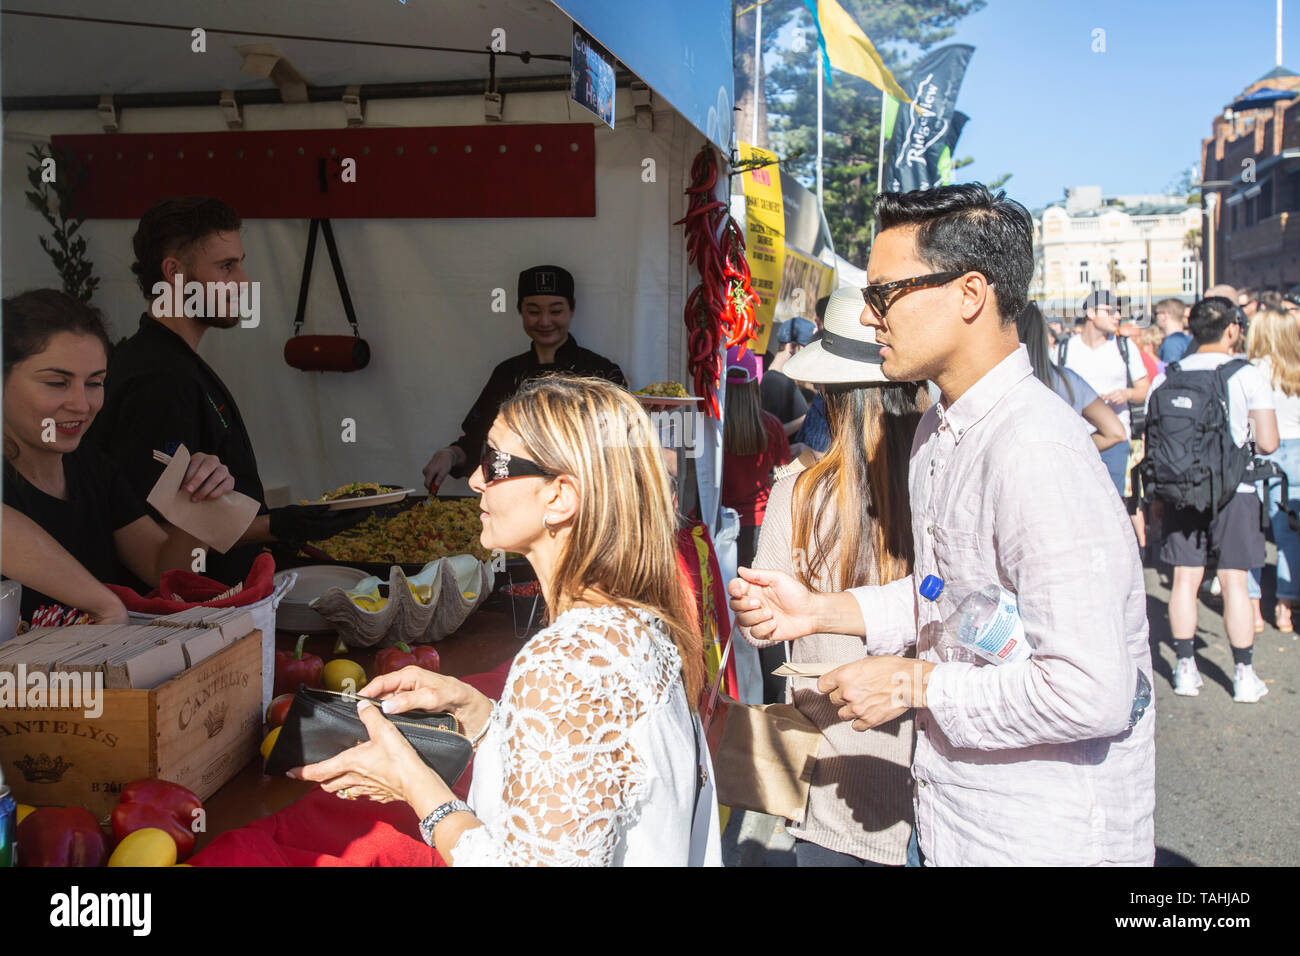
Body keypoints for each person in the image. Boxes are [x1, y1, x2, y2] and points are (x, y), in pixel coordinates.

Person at [729, 183, 1155, 866]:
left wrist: (911, 683)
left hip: (1037, 836)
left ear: (970, 294)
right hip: (953, 817)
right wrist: (822, 611)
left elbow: (1092, 690)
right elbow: (948, 596)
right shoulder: (940, 430)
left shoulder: (1033, 448)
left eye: (884, 295)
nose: (870, 321)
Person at [294, 376, 722, 866]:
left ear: (560, 497)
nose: (476, 480)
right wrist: (480, 714)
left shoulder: (565, 665)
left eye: (494, 463)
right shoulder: (640, 618)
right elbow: (595, 771)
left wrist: (412, 783)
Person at [89, 197, 363, 587]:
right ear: (175, 273)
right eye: (226, 267)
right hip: (190, 615)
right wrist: (278, 526)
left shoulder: (173, 362)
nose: (244, 282)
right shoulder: (158, 380)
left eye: (240, 263)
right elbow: (165, 531)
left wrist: (282, 524)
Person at [746, 287, 928, 867]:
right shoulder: (945, 482)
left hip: (835, 776)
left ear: (826, 392)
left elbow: (764, 629)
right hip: (943, 773)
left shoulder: (797, 494)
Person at [3, 289, 237, 625]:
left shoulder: (93, 467)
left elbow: (165, 574)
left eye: (95, 383)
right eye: (57, 382)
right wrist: (106, 604)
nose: (81, 405)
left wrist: (199, 502)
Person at [1147, 297, 1277, 702]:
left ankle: (1184, 670)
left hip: (1182, 490)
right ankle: (1243, 675)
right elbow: (1268, 442)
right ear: (1234, 329)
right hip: (1235, 491)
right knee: (1234, 582)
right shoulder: (1248, 375)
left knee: (1185, 580)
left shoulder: (1169, 375)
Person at [421, 265, 627, 492]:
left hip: (585, 501)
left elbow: (620, 448)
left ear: (572, 308)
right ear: (520, 311)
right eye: (534, 311)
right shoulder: (507, 373)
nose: (545, 321)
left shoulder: (602, 374)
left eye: (556, 311)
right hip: (515, 505)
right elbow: (477, 442)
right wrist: (450, 455)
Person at [722, 345, 791, 703]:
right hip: (763, 531)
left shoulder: (712, 429)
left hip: (724, 534)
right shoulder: (772, 426)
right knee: (767, 616)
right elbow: (781, 474)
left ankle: (736, 696)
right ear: (755, 383)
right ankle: (775, 698)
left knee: (729, 617)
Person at [1058, 290, 1150, 498]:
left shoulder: (1124, 347)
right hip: (1075, 441)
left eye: (1118, 311)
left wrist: (1126, 394)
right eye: (1110, 311)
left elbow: (1144, 390)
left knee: (1114, 506)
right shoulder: (1065, 350)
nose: (1117, 316)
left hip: (1115, 441)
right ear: (1090, 313)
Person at [1247, 307, 1300, 633]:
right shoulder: (1294, 366)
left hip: (1265, 451)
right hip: (1297, 448)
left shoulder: (1254, 369)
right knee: (1290, 532)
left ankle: (1255, 608)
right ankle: (1285, 603)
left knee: (1254, 530)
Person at [1017, 303, 1126, 452]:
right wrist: (1073, 451)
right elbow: (1115, 432)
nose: (1117, 315)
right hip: (1060, 469)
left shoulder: (999, 382)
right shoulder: (1067, 380)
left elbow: (1116, 433)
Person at [761, 318, 812, 438]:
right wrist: (808, 417)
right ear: (792, 347)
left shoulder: (778, 380)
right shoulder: (776, 383)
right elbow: (768, 434)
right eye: (808, 349)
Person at [1155, 298, 1192, 364]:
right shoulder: (1190, 338)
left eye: (1156, 313)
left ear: (1165, 315)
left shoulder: (1172, 342)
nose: (1156, 317)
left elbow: (1170, 371)